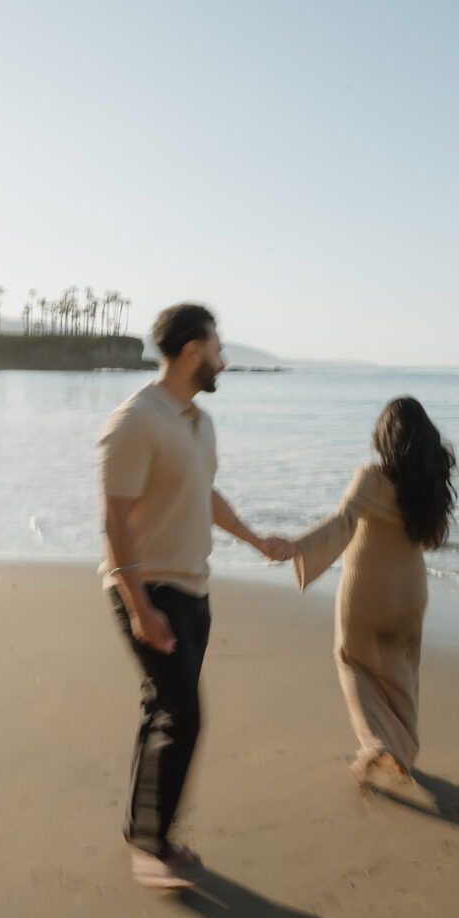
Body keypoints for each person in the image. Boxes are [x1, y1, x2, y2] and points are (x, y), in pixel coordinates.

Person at [98, 303, 290, 888]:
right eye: (216, 346)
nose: (223, 358)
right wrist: (140, 607)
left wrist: (256, 538)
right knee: (183, 715)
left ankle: (141, 827)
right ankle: (154, 848)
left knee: (162, 709)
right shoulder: (137, 420)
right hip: (149, 587)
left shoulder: (197, 422)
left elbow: (203, 494)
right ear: (190, 352)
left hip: (193, 587)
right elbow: (116, 518)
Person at [291, 397, 457, 786]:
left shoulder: (370, 478)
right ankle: (401, 749)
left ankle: (377, 743)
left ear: (385, 440)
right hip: (411, 596)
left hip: (365, 595)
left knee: (350, 661)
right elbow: (430, 540)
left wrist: (297, 548)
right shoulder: (427, 488)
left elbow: (340, 523)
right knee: (402, 674)